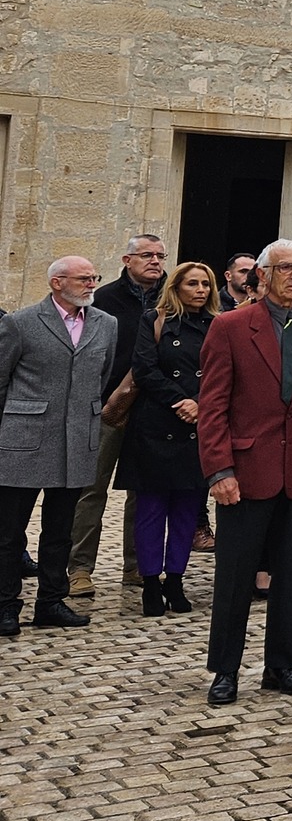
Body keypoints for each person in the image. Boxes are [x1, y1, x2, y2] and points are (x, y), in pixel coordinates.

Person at [196, 241, 292, 705]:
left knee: (290, 575)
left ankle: (281, 664)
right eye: (286, 268)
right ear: (262, 275)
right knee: (235, 577)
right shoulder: (230, 327)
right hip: (245, 472)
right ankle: (225, 669)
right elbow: (213, 407)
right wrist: (219, 469)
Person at [0, 256, 118, 637]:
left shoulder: (106, 324)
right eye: (83, 279)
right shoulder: (20, 323)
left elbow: (102, 376)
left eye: (94, 278)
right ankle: (5, 605)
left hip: (77, 441)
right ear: (57, 283)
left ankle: (51, 601)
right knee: (9, 532)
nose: (91, 284)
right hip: (23, 440)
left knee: (60, 530)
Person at [118, 260, 219, 617]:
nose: (200, 290)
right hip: (157, 424)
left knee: (187, 510)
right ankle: (149, 582)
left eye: (205, 284)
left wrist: (200, 403)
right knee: (150, 510)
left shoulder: (218, 324)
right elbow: (144, 367)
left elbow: (225, 371)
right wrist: (180, 401)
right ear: (176, 287)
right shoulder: (154, 320)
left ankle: (175, 579)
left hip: (199, 425)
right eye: (192, 284)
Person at [67, 232, 162, 602]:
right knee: (91, 489)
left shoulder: (170, 299)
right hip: (106, 408)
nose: (155, 261)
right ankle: (79, 568)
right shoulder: (103, 299)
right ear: (127, 260)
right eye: (147, 255)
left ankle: (136, 565)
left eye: (160, 256)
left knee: (143, 490)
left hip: (152, 408)